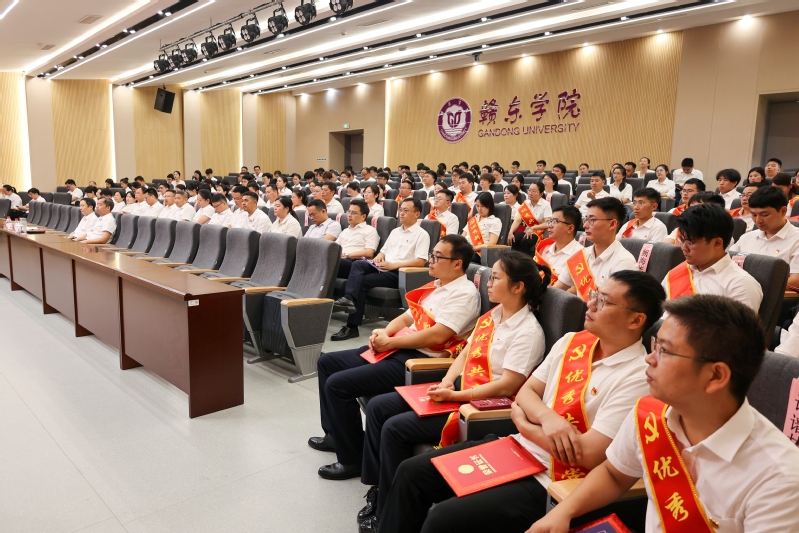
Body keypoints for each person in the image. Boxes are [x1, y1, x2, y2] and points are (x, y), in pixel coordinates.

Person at [378, 270, 666, 533]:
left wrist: (525, 423)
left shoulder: (637, 377)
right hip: (516, 447)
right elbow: (527, 392)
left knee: (443, 519)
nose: (589, 305)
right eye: (594, 295)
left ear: (636, 320)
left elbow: (588, 455)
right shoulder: (571, 341)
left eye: (603, 302)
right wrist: (549, 419)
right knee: (411, 473)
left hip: (553, 478)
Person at [529, 294, 799, 533]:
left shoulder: (780, 481)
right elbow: (613, 473)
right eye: (655, 345)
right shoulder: (651, 415)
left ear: (716, 376)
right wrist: (562, 513)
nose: (649, 358)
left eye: (665, 351)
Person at [358, 253, 550, 531]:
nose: (488, 283)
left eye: (496, 278)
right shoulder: (492, 316)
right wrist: (447, 381)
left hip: (483, 405)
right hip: (459, 390)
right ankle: (381, 493)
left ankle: (388, 510)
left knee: (396, 428)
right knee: (379, 407)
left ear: (518, 287)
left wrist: (456, 396)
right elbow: (465, 354)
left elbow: (508, 386)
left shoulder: (528, 332)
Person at [312, 235, 480, 481]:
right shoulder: (436, 286)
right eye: (431, 255)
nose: (431, 261)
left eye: (437, 257)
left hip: (416, 361)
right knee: (327, 363)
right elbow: (406, 318)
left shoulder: (464, 294)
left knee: (338, 385)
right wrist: (384, 333)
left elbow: (437, 335)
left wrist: (391, 342)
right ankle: (335, 436)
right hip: (398, 347)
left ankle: (352, 459)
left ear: (457, 263)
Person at [332, 198, 430, 341]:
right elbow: (383, 252)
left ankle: (351, 326)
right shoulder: (395, 231)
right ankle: (348, 298)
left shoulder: (422, 234)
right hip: (383, 267)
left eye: (406, 210)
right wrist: (378, 258)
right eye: (400, 210)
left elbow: (421, 261)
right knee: (358, 264)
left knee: (361, 281)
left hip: (398, 273)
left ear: (417, 214)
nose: (401, 213)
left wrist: (394, 265)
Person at [663, 204, 762, 312]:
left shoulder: (741, 285)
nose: (683, 248)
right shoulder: (678, 271)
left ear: (717, 243)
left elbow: (738, 324)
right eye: (681, 241)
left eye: (690, 242)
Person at [554, 198, 638, 300]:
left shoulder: (624, 263)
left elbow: (617, 306)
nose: (585, 225)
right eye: (586, 219)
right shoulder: (581, 255)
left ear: (612, 224)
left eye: (592, 220)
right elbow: (556, 290)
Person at [729, 186, 799, 289]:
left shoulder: (796, 239)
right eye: (754, 215)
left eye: (764, 215)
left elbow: (795, 281)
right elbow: (727, 266)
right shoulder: (746, 238)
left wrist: (754, 289)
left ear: (783, 211)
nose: (758, 221)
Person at [535, 206, 584, 285]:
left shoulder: (580, 255)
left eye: (555, 221)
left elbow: (576, 288)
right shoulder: (543, 247)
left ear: (570, 228)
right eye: (550, 221)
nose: (549, 226)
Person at [334, 199, 380, 278]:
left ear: (363, 216)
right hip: (341, 260)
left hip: (355, 263)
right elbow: (335, 247)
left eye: (353, 213)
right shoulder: (345, 231)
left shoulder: (370, 230)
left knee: (333, 263)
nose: (349, 215)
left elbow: (369, 253)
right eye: (349, 212)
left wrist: (348, 255)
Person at [462, 192, 502, 263]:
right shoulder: (474, 219)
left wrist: (472, 249)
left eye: (482, 206)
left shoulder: (495, 221)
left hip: (479, 252)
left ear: (489, 206)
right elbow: (462, 236)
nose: (479, 209)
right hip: (465, 248)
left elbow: (492, 243)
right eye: (477, 206)